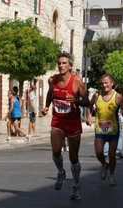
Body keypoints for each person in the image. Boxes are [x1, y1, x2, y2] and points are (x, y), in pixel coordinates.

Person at [41, 51, 90, 200]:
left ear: (70, 66)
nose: (61, 65)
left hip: (73, 121)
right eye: (59, 63)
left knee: (73, 157)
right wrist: (47, 106)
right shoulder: (52, 80)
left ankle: (76, 186)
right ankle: (61, 172)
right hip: (58, 120)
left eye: (64, 63)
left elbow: (87, 102)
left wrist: (75, 101)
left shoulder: (77, 82)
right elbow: (51, 93)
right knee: (56, 151)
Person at [86, 74, 123, 186]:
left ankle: (111, 175)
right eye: (102, 83)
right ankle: (104, 165)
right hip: (100, 129)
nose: (104, 85)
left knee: (112, 154)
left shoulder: (117, 97)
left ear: (111, 83)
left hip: (113, 130)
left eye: (106, 83)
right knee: (99, 152)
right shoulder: (96, 95)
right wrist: (89, 116)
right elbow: (89, 106)